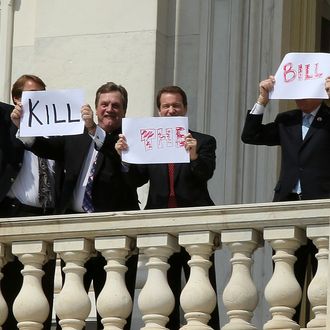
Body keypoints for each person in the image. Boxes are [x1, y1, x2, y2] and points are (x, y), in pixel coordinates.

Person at [11, 81, 139, 330]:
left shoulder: (129, 139)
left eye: (116, 105)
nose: (109, 109)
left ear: (124, 111)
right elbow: (47, 148)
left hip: (113, 235)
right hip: (75, 232)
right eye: (104, 104)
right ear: (96, 106)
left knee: (114, 311)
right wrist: (23, 129)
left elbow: (136, 176)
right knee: (69, 310)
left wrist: (97, 133)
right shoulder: (75, 134)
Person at [115, 85, 219, 329]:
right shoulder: (147, 141)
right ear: (159, 111)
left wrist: (193, 156)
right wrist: (125, 157)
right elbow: (135, 179)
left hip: (195, 223)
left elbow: (206, 174)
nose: (171, 110)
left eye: (176, 106)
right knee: (163, 290)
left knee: (203, 287)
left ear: (185, 109)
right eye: (166, 106)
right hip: (159, 225)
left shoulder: (203, 141)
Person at [241, 75, 330, 325]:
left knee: (323, 277)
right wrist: (263, 99)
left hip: (321, 204)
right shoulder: (286, 120)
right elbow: (250, 135)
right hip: (288, 203)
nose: (298, 94)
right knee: (287, 274)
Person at [0, 74, 57, 330]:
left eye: (41, 95)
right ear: (16, 99)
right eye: (31, 95)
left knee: (41, 293)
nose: (37, 101)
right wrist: (17, 125)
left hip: (48, 216)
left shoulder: (54, 131)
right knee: (12, 291)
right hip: (16, 215)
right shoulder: (6, 127)